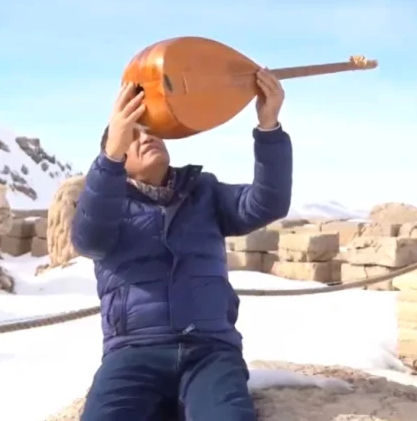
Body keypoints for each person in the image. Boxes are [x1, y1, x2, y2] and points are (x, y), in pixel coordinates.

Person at [70, 69, 294, 421]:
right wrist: (110, 155)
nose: (146, 139)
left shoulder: (204, 191)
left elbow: (268, 203)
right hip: (133, 353)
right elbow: (89, 239)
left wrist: (269, 127)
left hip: (210, 351)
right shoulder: (106, 204)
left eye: (151, 132)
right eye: (131, 136)